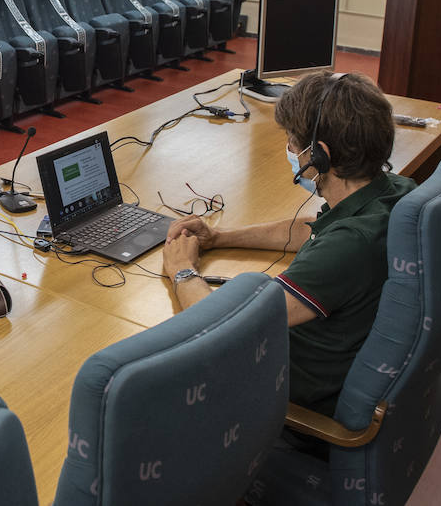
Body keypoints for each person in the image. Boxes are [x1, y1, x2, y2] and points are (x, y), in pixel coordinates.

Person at [161, 70, 414, 418]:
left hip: (288, 388)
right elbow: (311, 229)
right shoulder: (393, 191)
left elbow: (222, 328)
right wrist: (220, 237)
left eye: (293, 143)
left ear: (320, 156)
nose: (290, 151)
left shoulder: (348, 247)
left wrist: (183, 271)